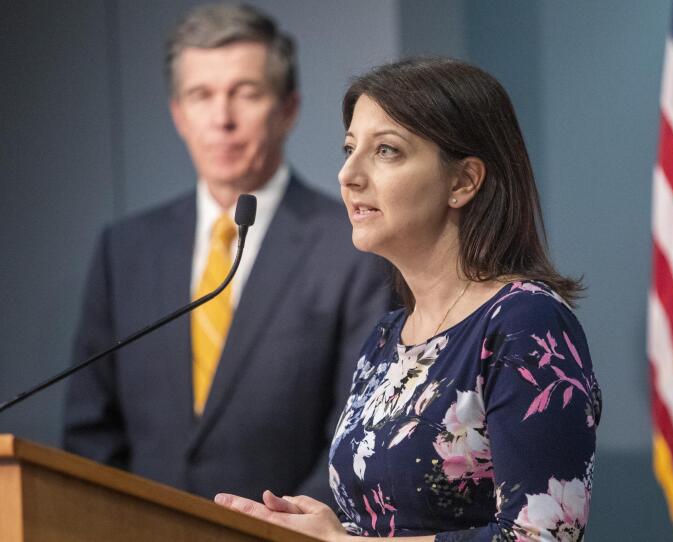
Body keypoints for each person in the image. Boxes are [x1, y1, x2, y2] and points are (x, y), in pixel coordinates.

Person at [215, 57, 602, 542]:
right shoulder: (386, 337)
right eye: (349, 148)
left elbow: (542, 538)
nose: (348, 174)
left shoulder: (525, 323)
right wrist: (321, 529)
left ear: (463, 182)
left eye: (387, 151)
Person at [62, 3, 389, 504]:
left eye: (246, 94)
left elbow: (354, 440)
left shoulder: (353, 246)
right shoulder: (123, 250)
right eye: (201, 95)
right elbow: (89, 434)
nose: (222, 119)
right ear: (178, 114)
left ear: (287, 110)